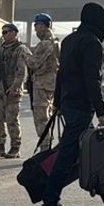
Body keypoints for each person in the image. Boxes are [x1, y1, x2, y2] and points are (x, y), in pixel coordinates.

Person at [39, 2, 104, 206]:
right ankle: (50, 203)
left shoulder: (70, 40)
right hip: (81, 107)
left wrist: (59, 103)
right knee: (67, 157)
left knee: (91, 153)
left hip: (70, 104)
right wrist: (101, 111)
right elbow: (92, 80)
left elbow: (61, 75)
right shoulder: (91, 43)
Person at [0, 22, 31, 159]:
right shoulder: (0, 50)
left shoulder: (21, 49)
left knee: (12, 119)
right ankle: (0, 145)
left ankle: (15, 146)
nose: (4, 35)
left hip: (12, 88)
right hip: (0, 88)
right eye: (3, 32)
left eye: (7, 32)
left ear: (14, 33)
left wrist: (15, 87)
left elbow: (22, 71)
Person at [28, 13, 60, 152]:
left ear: (43, 25)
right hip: (51, 84)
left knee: (41, 118)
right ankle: (47, 146)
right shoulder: (56, 42)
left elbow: (33, 64)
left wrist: (25, 54)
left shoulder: (44, 44)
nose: (35, 30)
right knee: (46, 116)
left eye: (37, 26)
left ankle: (45, 148)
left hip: (42, 85)